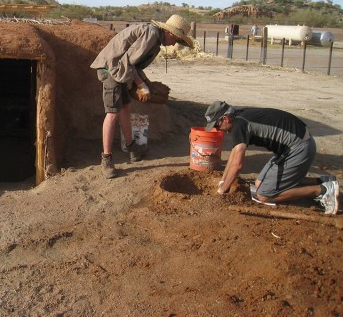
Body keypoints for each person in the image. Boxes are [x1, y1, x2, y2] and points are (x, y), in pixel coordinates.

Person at [90, 15, 194, 178]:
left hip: (120, 71)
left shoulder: (155, 38)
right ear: (171, 34)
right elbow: (127, 62)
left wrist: (146, 82)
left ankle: (132, 147)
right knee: (112, 113)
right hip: (110, 70)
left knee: (125, 107)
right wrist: (141, 85)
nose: (174, 44)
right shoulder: (151, 34)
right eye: (177, 40)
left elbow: (134, 66)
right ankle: (107, 159)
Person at [205, 101, 339, 214]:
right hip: (289, 147)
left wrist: (222, 191)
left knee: (263, 195)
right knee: (259, 184)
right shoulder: (238, 117)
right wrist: (223, 181)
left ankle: (322, 190)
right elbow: (234, 154)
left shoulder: (238, 126)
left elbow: (237, 165)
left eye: (217, 125)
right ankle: (321, 181)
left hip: (299, 147)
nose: (218, 129)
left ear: (225, 119)